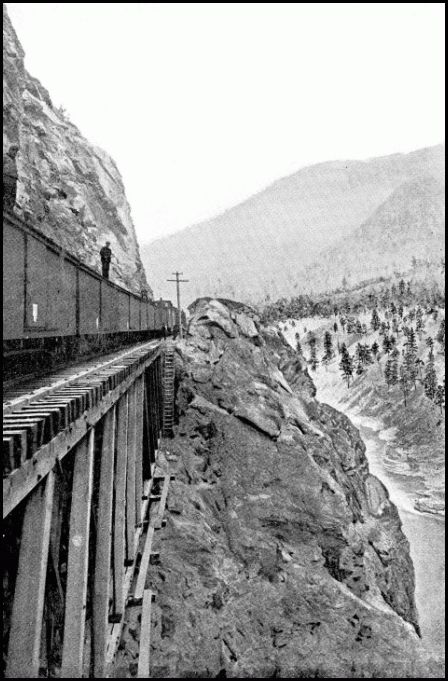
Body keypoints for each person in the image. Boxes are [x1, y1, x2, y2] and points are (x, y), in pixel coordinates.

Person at [3, 144, 19, 212]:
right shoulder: (4, 157)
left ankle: (9, 211)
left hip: (13, 181)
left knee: (12, 197)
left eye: (16, 151)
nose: (14, 152)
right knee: (6, 195)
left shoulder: (14, 160)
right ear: (9, 150)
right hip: (6, 179)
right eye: (13, 150)